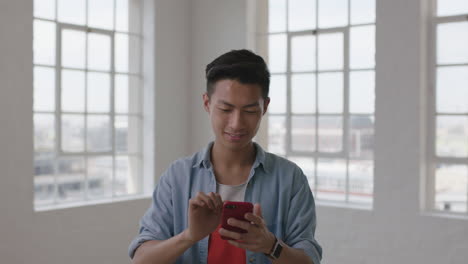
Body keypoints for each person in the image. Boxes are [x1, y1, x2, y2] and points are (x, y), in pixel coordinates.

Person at [129, 49, 322, 264]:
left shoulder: (289, 178)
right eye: (225, 109)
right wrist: (190, 236)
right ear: (207, 103)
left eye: (249, 111)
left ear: (264, 107)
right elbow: (141, 260)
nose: (236, 123)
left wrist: (270, 246)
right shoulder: (178, 176)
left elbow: (309, 260)